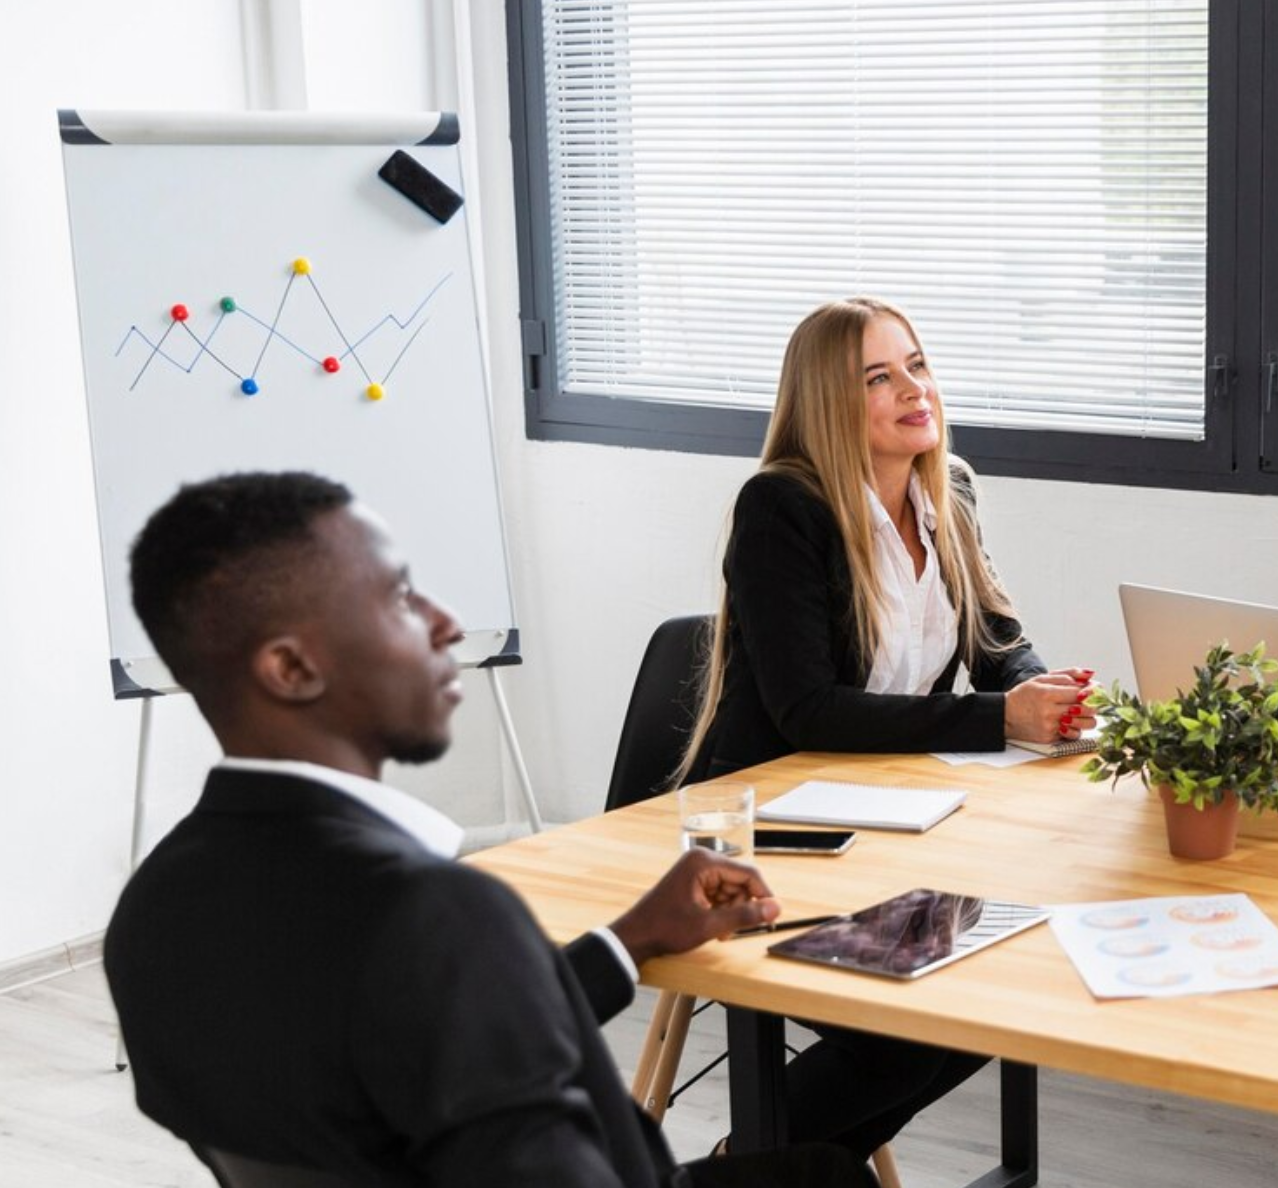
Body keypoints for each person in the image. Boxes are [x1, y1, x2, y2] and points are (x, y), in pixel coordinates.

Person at [105, 471, 870, 1188]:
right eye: (400, 599)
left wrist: (627, 941)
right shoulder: (437, 915)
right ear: (292, 668)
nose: (446, 624)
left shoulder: (151, 911)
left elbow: (417, 1044)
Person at [676, 296, 1084, 1158]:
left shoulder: (950, 489)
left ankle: (760, 1170)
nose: (913, 388)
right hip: (769, 827)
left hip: (894, 822)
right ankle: (738, 1170)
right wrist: (996, 717)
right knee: (912, 1028)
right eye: (878, 376)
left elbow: (993, 640)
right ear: (829, 398)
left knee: (988, 1000)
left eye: (917, 364)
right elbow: (807, 710)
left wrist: (1041, 693)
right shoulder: (782, 510)